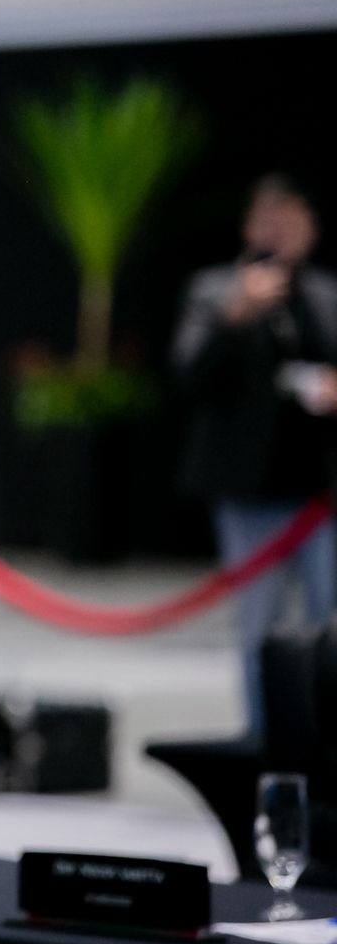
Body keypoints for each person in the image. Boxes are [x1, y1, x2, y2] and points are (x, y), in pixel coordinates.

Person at [173, 173, 337, 738]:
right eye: (270, 221)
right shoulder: (215, 291)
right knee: (257, 623)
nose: (281, 233)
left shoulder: (324, 296)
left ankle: (321, 737)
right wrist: (236, 316)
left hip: (317, 491)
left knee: (325, 618)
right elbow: (189, 373)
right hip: (249, 489)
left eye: (292, 222)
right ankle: (265, 739)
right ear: (249, 227)